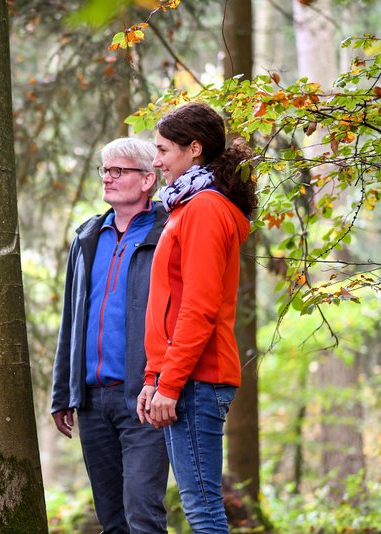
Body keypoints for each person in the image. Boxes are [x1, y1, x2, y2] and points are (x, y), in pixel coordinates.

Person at [137, 102, 257, 533]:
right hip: (183, 376)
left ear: (194, 148)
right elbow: (169, 304)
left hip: (198, 378)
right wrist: (153, 377)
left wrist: (168, 384)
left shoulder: (205, 209)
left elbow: (199, 308)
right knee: (198, 506)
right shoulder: (187, 207)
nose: (156, 161)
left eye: (163, 150)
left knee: (203, 509)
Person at [51, 137, 170, 533]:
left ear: (147, 180)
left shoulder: (166, 232)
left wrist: (165, 383)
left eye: (118, 170)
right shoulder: (87, 236)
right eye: (105, 170)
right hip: (92, 401)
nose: (107, 177)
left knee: (143, 513)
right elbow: (72, 318)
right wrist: (63, 392)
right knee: (111, 520)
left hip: (144, 397)